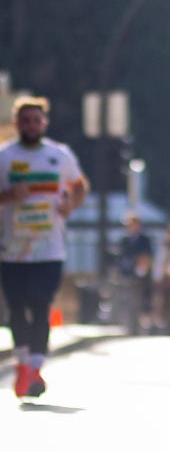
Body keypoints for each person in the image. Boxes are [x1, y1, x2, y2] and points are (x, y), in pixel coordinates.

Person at [0, 96, 90, 398]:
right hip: (12, 249)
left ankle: (35, 367)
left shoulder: (59, 155)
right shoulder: (4, 157)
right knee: (16, 309)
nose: (30, 125)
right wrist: (10, 196)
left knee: (39, 304)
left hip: (49, 247)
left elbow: (79, 186)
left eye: (36, 120)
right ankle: (23, 362)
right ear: (16, 124)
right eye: (25, 120)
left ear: (44, 123)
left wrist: (69, 204)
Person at [117, 212, 155, 334]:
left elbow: (147, 256)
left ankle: (140, 326)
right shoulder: (124, 240)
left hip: (141, 275)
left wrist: (142, 268)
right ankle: (129, 326)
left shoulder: (145, 240)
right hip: (127, 274)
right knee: (127, 301)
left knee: (140, 301)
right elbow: (121, 257)